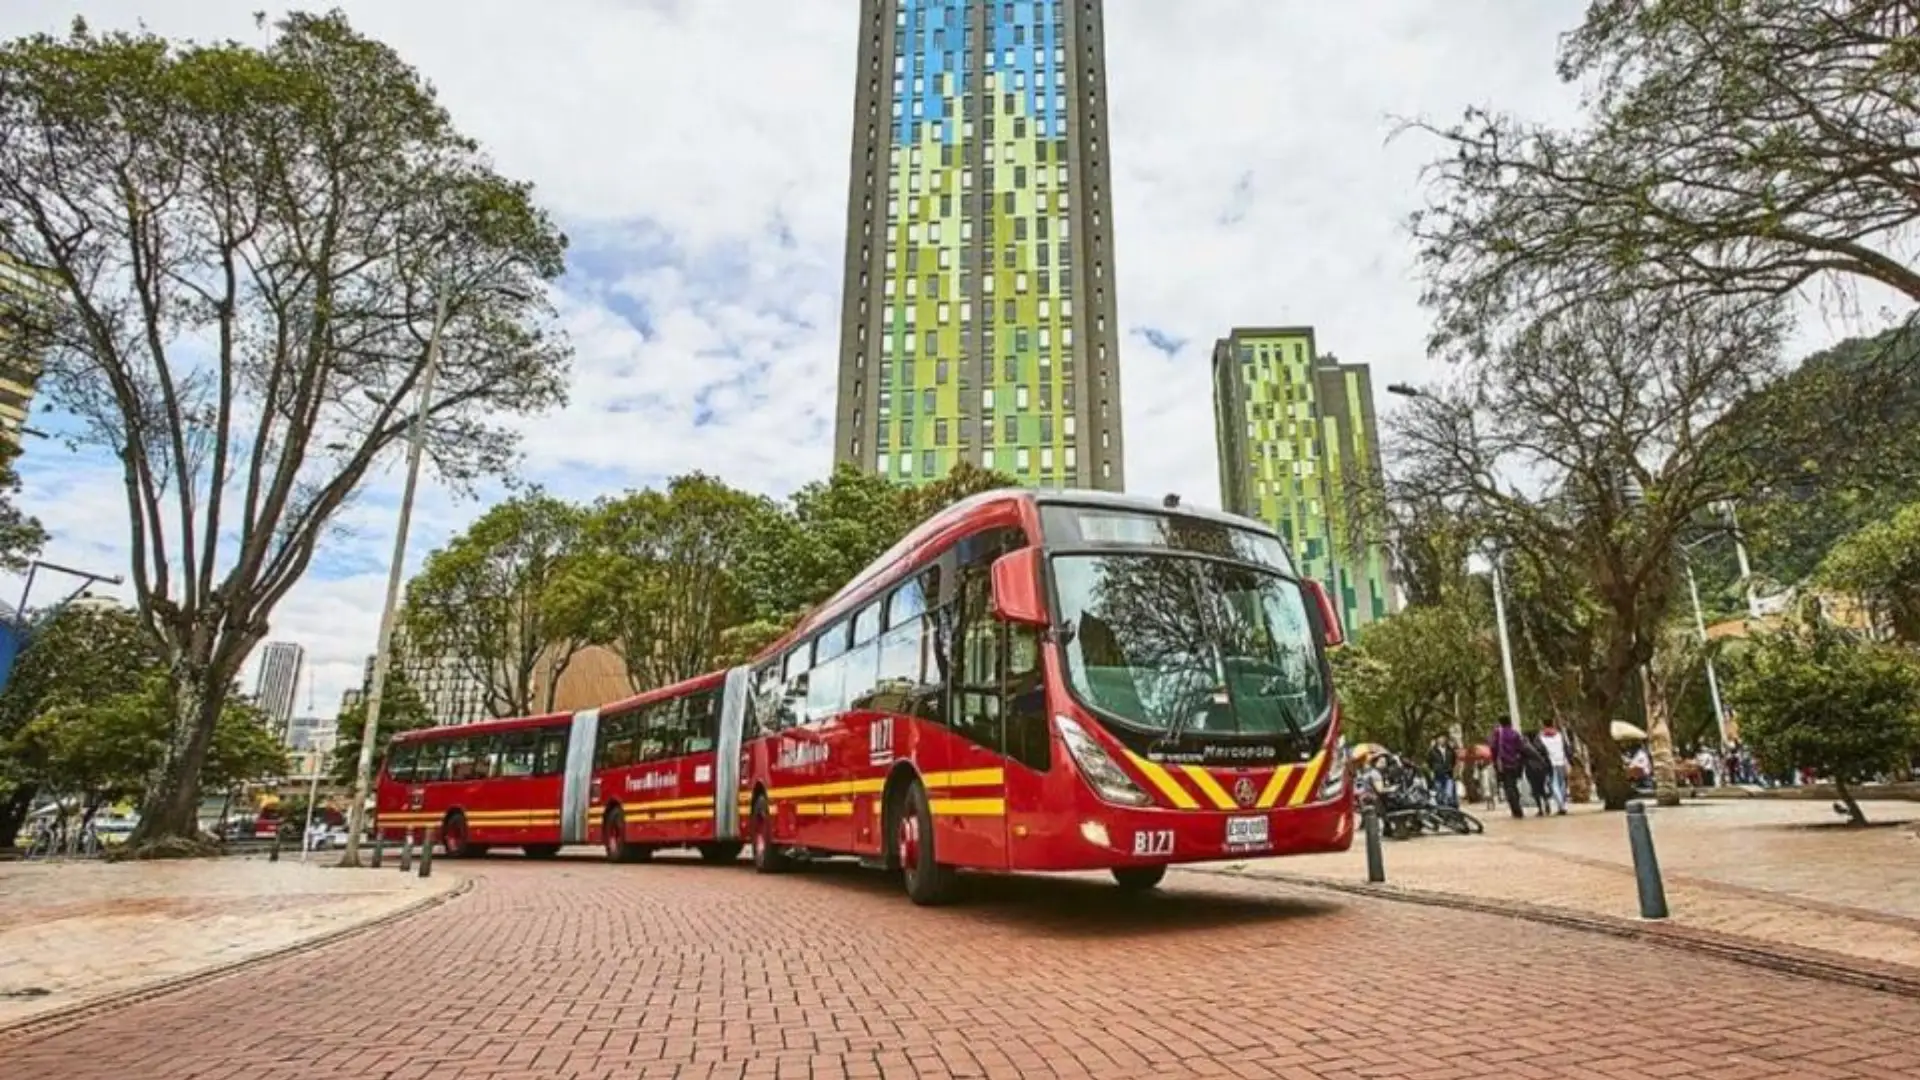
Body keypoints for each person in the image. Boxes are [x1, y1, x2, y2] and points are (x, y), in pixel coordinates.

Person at [1489, 717, 1528, 819]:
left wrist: (1495, 762)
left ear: (1500, 723)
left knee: (1508, 787)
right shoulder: (1515, 733)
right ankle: (1517, 808)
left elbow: (1493, 748)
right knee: (1513, 786)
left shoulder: (1498, 733)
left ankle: (1516, 810)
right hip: (1515, 764)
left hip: (1504, 765)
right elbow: (1521, 748)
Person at [1538, 721, 1571, 814]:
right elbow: (1566, 748)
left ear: (1543, 725)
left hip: (1550, 763)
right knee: (1562, 784)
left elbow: (1539, 750)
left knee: (1553, 784)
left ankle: (1561, 806)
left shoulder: (1541, 737)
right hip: (1561, 761)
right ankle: (1562, 805)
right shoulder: (1560, 735)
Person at [1427, 733, 1458, 809]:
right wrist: (1434, 769)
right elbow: (1429, 762)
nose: (1442, 740)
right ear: (1437, 740)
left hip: (1448, 775)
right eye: (1440, 738)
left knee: (1448, 794)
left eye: (1443, 738)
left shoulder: (1450, 750)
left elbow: (1454, 761)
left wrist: (1451, 769)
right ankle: (1441, 810)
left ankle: (1448, 809)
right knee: (1439, 795)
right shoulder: (1432, 751)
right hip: (1438, 775)